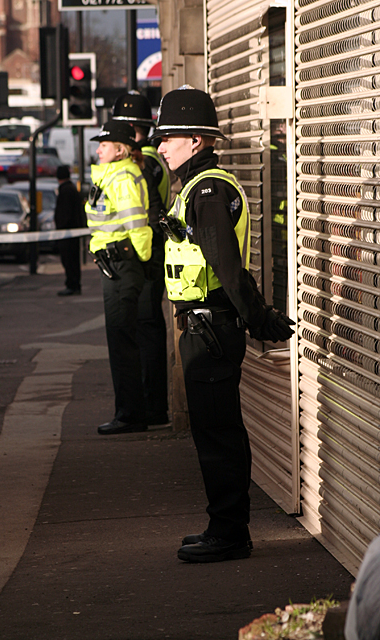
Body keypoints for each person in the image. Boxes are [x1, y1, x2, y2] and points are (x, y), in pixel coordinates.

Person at [152, 85, 294, 563]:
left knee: (219, 435)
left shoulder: (209, 190)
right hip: (204, 328)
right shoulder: (194, 187)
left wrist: (260, 319)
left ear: (196, 139)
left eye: (168, 137)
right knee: (213, 431)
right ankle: (223, 525)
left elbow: (229, 270)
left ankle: (230, 533)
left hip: (211, 330)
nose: (160, 145)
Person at [85, 120, 152, 435]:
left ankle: (130, 415)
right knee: (121, 340)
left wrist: (141, 258)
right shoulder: (111, 174)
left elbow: (137, 224)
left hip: (122, 265)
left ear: (120, 149)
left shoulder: (122, 177)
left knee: (122, 342)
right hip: (115, 265)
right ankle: (129, 412)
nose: (98, 149)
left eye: (104, 144)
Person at [112, 91, 171, 426]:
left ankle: (151, 406)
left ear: (132, 128)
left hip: (144, 254)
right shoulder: (152, 158)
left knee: (144, 329)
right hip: (151, 250)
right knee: (148, 328)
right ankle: (153, 404)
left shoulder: (142, 162)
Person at [55, 165, 85, 296]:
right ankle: (74, 284)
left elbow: (64, 213)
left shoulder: (65, 191)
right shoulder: (72, 188)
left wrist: (60, 226)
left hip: (67, 232)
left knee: (69, 259)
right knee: (73, 259)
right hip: (73, 231)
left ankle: (72, 284)